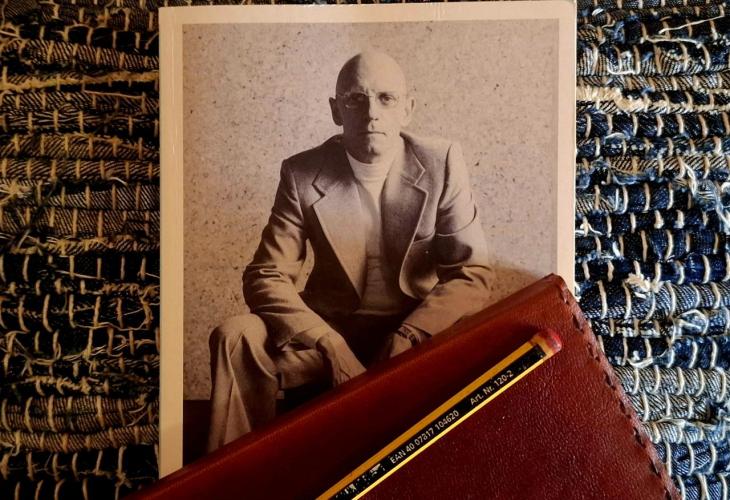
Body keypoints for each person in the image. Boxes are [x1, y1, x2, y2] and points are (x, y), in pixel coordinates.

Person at [207, 51, 491, 451]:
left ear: (407, 109)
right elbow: (266, 274)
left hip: (414, 331)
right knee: (235, 336)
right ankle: (239, 476)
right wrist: (328, 342)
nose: (372, 113)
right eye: (356, 99)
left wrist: (409, 334)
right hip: (329, 331)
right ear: (335, 110)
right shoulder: (301, 172)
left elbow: (472, 272)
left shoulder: (441, 161)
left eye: (386, 99)